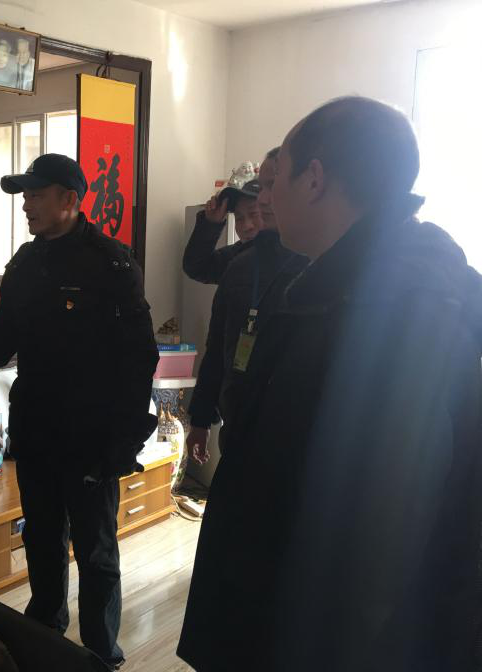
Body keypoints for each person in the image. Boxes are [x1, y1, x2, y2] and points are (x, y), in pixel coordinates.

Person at [178, 97, 482, 671]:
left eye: (278, 179)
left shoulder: (394, 312)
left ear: (314, 179)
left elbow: (377, 548)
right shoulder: (337, 284)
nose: (268, 198)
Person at [0, 154, 159, 670]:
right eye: (25, 196)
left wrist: (125, 439)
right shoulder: (26, 264)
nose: (26, 206)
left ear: (69, 199)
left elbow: (139, 357)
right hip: (36, 428)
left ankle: (100, 653)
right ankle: (46, 635)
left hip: (91, 435)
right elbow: (0, 340)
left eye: (35, 195)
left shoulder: (112, 264)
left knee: (95, 550)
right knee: (41, 537)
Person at [185, 149, 308, 464]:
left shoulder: (317, 261)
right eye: (239, 218)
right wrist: (200, 419)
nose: (249, 223)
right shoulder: (240, 263)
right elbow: (217, 348)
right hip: (238, 426)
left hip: (295, 439)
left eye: (271, 188)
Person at [182, 176, 263, 284]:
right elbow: (196, 268)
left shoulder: (284, 260)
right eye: (239, 218)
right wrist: (211, 224)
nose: (246, 226)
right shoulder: (236, 256)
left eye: (254, 214)